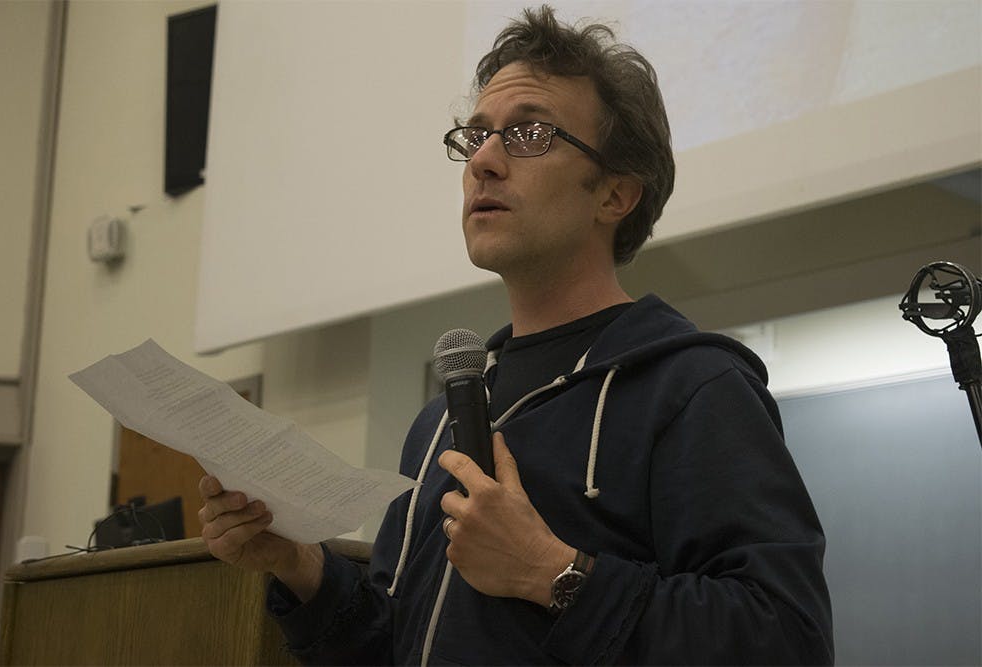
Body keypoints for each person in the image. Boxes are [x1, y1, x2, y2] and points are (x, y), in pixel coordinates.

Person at [198, 6, 834, 664]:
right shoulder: (438, 421)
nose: (485, 162)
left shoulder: (692, 388)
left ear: (615, 195)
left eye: (528, 133)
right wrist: (301, 565)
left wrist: (549, 571)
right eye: (475, 138)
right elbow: (397, 645)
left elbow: (786, 637)